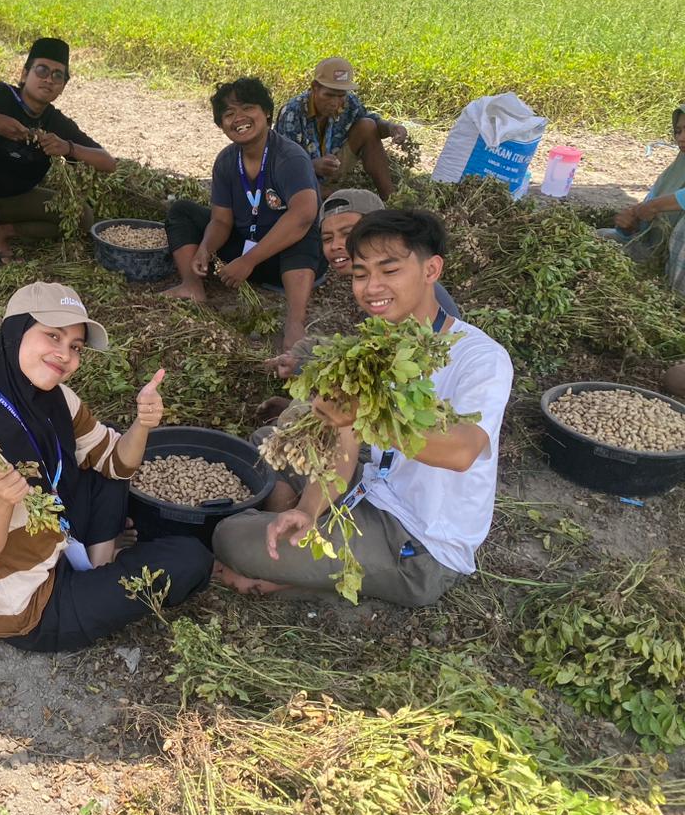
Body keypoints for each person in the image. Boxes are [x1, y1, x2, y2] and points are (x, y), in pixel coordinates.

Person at [213, 210, 513, 607]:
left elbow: (461, 452)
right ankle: (295, 552)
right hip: (373, 488)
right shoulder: (377, 346)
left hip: (418, 540)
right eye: (360, 274)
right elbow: (346, 445)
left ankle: (296, 575)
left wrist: (361, 416)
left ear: (431, 270)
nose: (372, 287)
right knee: (272, 443)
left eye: (389, 270)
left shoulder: (480, 358)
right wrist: (307, 510)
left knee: (228, 536)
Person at [0, 282, 214, 652]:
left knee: (100, 472)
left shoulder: (59, 399)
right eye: (53, 336)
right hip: (33, 605)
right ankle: (103, 570)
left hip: (61, 542)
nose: (65, 354)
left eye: (75, 347)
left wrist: (143, 423)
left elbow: (116, 463)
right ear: (15, 332)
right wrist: (0, 501)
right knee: (192, 559)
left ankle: (98, 567)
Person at [0, 38, 117, 282]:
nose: (49, 79)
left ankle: (2, 231)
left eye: (58, 76)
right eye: (42, 70)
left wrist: (68, 147)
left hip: (11, 203)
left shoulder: (54, 122)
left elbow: (108, 163)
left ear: (63, 87)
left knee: (82, 215)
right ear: (25, 74)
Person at [163, 76, 325, 350]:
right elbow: (221, 220)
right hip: (241, 253)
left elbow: (304, 214)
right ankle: (192, 286)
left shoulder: (289, 157)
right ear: (221, 125)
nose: (239, 118)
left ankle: (295, 323)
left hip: (283, 261)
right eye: (228, 113)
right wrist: (205, 248)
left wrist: (249, 261)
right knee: (181, 211)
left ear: (267, 113)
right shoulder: (227, 161)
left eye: (248, 108)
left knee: (305, 232)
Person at [263, 190, 461, 384]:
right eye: (327, 239)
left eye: (348, 234)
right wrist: (301, 363)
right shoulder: (373, 287)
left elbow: (402, 374)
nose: (336, 245)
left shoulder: (413, 296)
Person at [275, 57, 409, 200]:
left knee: (367, 125)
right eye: (329, 95)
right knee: (339, 199)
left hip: (332, 168)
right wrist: (312, 165)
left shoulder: (348, 102)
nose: (335, 103)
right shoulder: (292, 113)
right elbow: (283, 164)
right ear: (315, 87)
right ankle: (327, 197)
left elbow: (373, 124)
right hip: (300, 177)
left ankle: (391, 199)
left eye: (340, 96)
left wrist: (391, 128)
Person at [598, 103, 685, 292]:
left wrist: (656, 206)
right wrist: (630, 226)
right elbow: (645, 220)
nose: (681, 138)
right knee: (598, 240)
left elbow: (657, 205)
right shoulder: (674, 173)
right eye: (678, 131)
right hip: (657, 261)